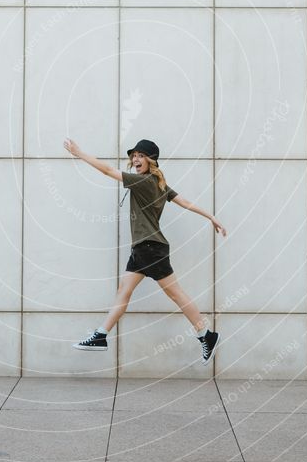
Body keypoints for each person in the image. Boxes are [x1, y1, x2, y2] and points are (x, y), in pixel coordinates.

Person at [62, 137, 227, 365]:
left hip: (150, 248)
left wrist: (79, 152)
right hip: (143, 249)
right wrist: (211, 216)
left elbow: (108, 171)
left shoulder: (145, 182)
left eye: (141, 155)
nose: (135, 159)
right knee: (124, 291)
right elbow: (186, 203)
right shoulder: (159, 184)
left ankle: (206, 334)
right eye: (134, 155)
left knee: (176, 294)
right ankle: (101, 335)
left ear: (151, 160)